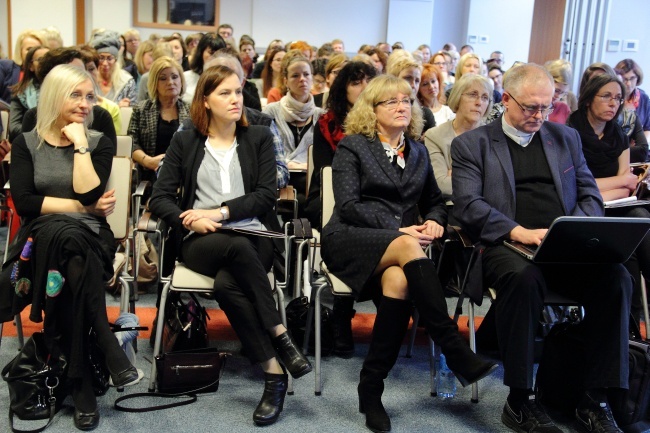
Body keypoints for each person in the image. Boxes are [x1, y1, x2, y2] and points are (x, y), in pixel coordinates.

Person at [451, 63, 632, 433]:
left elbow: (589, 194)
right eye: (530, 107)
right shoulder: (473, 144)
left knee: (616, 277)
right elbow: (468, 205)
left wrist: (576, 229)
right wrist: (519, 231)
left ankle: (593, 400)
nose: (539, 115)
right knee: (525, 278)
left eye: (546, 107)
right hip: (506, 244)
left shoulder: (564, 138)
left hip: (564, 243)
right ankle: (520, 400)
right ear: (506, 100)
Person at [320, 74, 496, 433]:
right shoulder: (353, 146)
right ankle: (452, 345)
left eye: (406, 101)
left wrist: (433, 222)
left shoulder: (415, 151)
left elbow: (435, 202)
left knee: (399, 281)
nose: (402, 106)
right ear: (371, 110)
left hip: (401, 250)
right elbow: (349, 205)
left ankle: (371, 388)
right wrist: (399, 230)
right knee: (407, 245)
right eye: (391, 102)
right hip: (350, 237)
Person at [148, 65, 311, 426]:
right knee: (233, 251)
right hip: (200, 241)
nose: (235, 99)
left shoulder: (259, 138)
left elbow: (266, 196)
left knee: (226, 283)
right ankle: (281, 337)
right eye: (224, 93)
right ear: (205, 100)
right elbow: (160, 198)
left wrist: (219, 213)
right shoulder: (185, 141)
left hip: (254, 234)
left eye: (238, 92)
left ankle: (273, 374)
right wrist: (189, 218)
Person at [2, 64, 139, 431]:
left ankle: (78, 378)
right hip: (42, 237)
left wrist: (79, 143)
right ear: (53, 96)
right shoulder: (26, 142)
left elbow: (91, 191)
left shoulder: (98, 140)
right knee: (67, 242)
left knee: (71, 247)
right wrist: (80, 208)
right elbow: (26, 203)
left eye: (89, 96)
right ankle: (90, 374)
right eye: (75, 94)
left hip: (91, 237)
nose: (84, 103)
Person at [567, 73, 650, 324]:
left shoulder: (619, 137)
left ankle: (631, 324)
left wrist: (603, 187)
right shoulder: (569, 134)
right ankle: (630, 322)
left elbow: (628, 187)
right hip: (581, 209)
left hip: (616, 205)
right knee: (631, 237)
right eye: (606, 97)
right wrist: (610, 186)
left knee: (641, 220)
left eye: (617, 98)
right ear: (590, 99)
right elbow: (573, 186)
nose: (613, 103)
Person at [424, 74, 492, 202]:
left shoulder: (493, 137)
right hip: (452, 210)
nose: (479, 103)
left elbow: (500, 186)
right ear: (457, 97)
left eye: (485, 97)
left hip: (490, 209)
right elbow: (441, 185)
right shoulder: (435, 136)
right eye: (473, 95)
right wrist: (483, 178)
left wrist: (458, 176)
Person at [128, 56, 189, 183]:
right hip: (149, 177)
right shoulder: (141, 109)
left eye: (175, 77)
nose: (170, 82)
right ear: (155, 83)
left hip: (184, 177)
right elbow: (132, 143)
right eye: (163, 78)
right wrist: (148, 161)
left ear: (181, 81)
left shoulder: (192, 111)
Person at [263, 50, 324, 174]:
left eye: (306, 74)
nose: (302, 79)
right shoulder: (271, 112)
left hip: (311, 182)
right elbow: (262, 152)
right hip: (277, 180)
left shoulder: (322, 115)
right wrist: (288, 165)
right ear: (286, 81)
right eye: (295, 75)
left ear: (312, 78)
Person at [386, 51, 436, 136]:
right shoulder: (381, 109)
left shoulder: (425, 115)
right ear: (394, 79)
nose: (413, 85)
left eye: (417, 81)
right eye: (408, 78)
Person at [8, 45, 49, 141]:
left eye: (49, 59)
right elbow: (13, 128)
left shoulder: (64, 90)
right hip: (30, 143)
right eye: (40, 59)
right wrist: (42, 132)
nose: (46, 63)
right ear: (31, 66)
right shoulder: (21, 93)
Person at [89, 30, 137, 107]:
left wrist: (127, 105)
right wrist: (117, 106)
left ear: (116, 59)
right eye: (101, 58)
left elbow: (133, 108)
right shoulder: (89, 79)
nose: (105, 63)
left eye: (109, 58)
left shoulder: (126, 81)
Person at [182, 33, 227, 105]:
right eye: (211, 53)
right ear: (201, 53)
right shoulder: (185, 77)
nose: (215, 58)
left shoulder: (227, 79)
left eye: (218, 54)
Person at [616, 59, 650, 140]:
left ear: (637, 78)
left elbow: (648, 128)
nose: (628, 83)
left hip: (637, 146)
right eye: (625, 79)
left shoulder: (643, 98)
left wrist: (641, 145)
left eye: (632, 78)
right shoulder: (613, 97)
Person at [544, 59, 573, 124]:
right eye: (556, 90)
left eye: (563, 93)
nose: (558, 96)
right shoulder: (533, 103)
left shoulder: (563, 108)